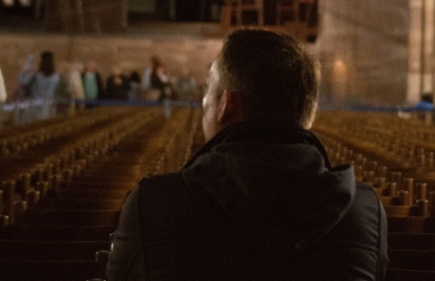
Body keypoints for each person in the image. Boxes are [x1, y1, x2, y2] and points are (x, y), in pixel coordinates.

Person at [107, 29, 388, 281]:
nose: (204, 100)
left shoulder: (155, 204)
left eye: (209, 89)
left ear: (226, 104)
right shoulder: (362, 212)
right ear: (309, 114)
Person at [18, 51, 60, 119]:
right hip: (47, 105)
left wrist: (24, 70)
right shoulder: (56, 77)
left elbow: (23, 81)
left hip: (33, 105)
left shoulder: (36, 75)